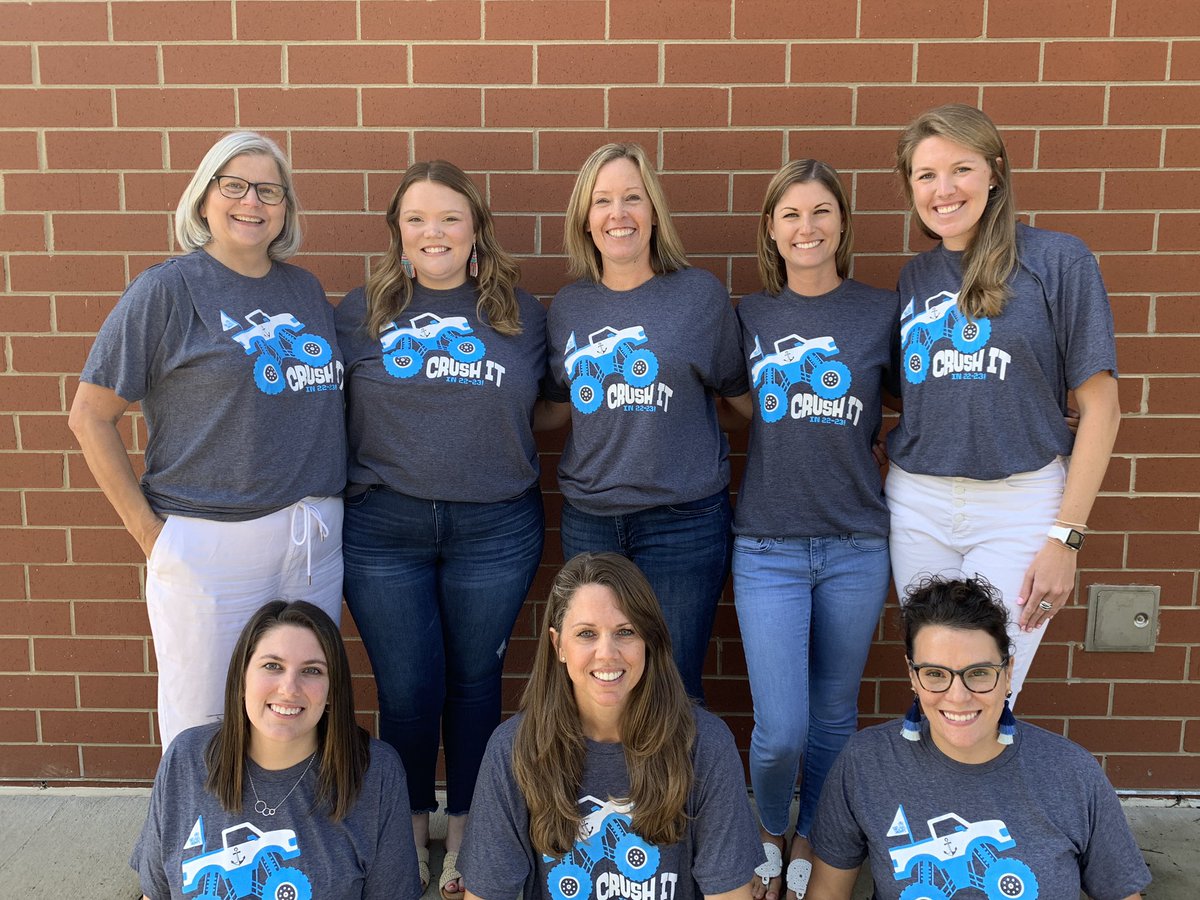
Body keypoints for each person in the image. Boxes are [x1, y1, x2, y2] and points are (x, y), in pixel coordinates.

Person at [69, 132, 346, 750]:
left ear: (286, 208)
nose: (252, 202)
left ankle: (293, 834)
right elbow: (90, 415)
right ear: (203, 200)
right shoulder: (168, 289)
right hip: (211, 543)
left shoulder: (303, 289)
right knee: (203, 716)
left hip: (313, 541)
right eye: (235, 185)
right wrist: (152, 536)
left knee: (301, 707)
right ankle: (193, 845)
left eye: (269, 190)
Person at [334, 160, 547, 899]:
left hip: (494, 526)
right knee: (408, 688)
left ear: (476, 230)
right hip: (382, 528)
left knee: (477, 682)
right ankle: (408, 825)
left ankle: (467, 830)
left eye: (450, 217)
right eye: (417, 219)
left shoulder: (522, 316)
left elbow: (550, 406)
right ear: (396, 233)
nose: (434, 233)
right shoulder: (356, 314)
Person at [886, 104, 1121, 702]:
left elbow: (1102, 409)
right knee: (933, 686)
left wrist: (1066, 538)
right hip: (917, 502)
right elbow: (910, 390)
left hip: (1020, 506)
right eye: (925, 175)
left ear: (994, 172)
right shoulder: (915, 277)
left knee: (987, 691)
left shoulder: (1058, 260)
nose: (943, 191)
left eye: (960, 169)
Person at [725, 160, 897, 900]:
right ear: (771, 227)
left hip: (858, 542)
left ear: (842, 224)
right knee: (781, 728)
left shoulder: (879, 311)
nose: (807, 227)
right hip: (767, 544)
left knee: (833, 717)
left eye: (821, 212)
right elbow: (737, 401)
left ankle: (816, 836)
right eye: (791, 214)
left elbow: (912, 400)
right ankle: (768, 823)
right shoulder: (749, 317)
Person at [540, 142, 751, 702]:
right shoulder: (569, 306)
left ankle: (675, 793)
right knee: (597, 682)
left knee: (675, 682)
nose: (618, 214)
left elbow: (737, 403)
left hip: (683, 520)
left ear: (653, 210)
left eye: (632, 197)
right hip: (591, 519)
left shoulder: (699, 294)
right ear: (585, 220)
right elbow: (560, 406)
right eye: (602, 201)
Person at [805, 576, 1151, 900]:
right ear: (912, 676)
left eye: (979, 673)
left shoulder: (1070, 772)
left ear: (1008, 672)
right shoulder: (868, 763)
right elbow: (827, 893)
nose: (958, 696)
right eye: (936, 674)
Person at [459, 552, 763, 900]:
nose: (607, 653)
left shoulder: (705, 745)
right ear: (558, 645)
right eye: (587, 633)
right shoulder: (513, 749)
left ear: (649, 640)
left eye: (626, 631)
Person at [131, 600, 422, 900]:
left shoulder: (374, 773)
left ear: (332, 689)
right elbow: (154, 895)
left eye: (311, 670)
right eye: (273, 666)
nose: (289, 687)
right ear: (242, 678)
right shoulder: (187, 758)